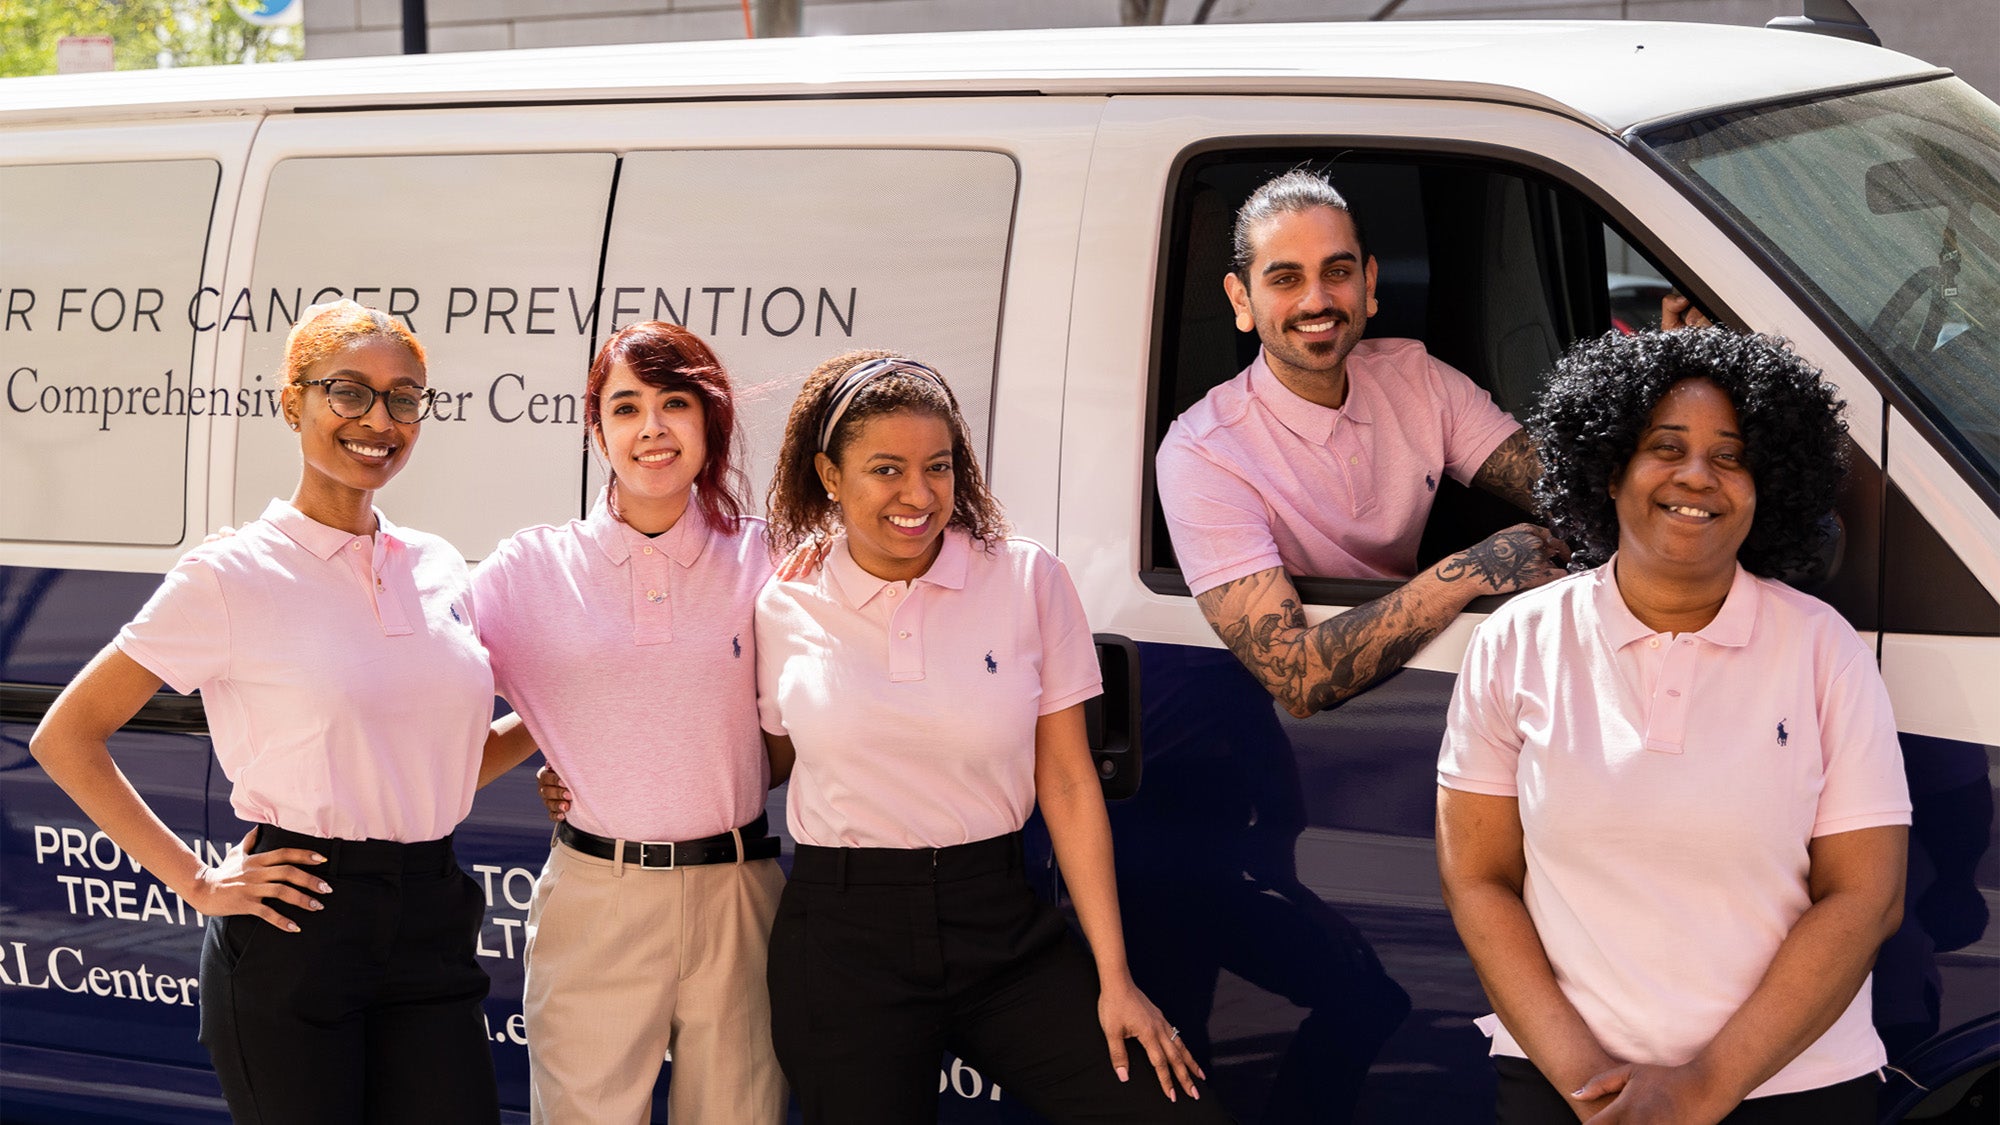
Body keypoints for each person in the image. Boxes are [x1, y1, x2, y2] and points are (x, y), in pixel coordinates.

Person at [29, 300, 500, 1124]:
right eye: (348, 392)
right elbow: (66, 734)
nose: (377, 420)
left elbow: (441, 759)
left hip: (431, 911)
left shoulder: (435, 565)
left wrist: (565, 732)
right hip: (298, 922)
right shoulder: (230, 574)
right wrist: (196, 879)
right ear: (294, 403)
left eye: (403, 397)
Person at [1436, 328, 1910, 1124]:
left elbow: (1867, 895)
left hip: (1790, 1088)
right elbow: (1477, 878)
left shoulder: (1822, 646)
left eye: (1732, 455)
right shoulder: (1517, 640)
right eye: (1666, 446)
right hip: (1566, 1089)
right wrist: (1591, 1083)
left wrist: (1706, 1085)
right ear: (1610, 464)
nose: (1699, 474)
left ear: (1766, 485)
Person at [755, 350, 1234, 1124]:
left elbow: (1071, 784)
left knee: (1171, 1113)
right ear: (829, 475)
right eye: (886, 469)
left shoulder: (1025, 580)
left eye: (938, 466)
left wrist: (1116, 978)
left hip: (1000, 925)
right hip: (842, 939)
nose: (919, 494)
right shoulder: (782, 600)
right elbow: (757, 757)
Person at [474, 322, 786, 1125]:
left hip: (740, 895)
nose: (652, 428)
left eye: (674, 402)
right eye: (626, 407)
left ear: (708, 419)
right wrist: (564, 742)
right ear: (597, 427)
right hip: (598, 898)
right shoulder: (526, 570)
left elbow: (797, 733)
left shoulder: (770, 559)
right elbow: (418, 707)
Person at [1156, 168, 1568, 717]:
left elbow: (1568, 488)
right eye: (1284, 279)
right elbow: (1297, 680)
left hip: (1430, 678)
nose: (1316, 300)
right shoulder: (1203, 453)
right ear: (1241, 299)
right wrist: (1470, 571)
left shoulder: (1417, 377)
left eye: (1337, 271)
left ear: (1369, 285)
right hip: (1294, 735)